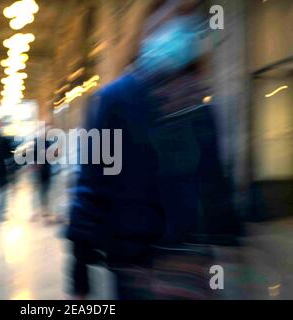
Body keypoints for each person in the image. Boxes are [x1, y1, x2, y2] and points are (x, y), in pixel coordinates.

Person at [66, 0, 243, 300]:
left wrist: (230, 238)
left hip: (192, 265)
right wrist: (79, 266)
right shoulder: (114, 101)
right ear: (144, 29)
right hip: (136, 267)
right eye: (170, 16)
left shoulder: (200, 106)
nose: (179, 28)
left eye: (187, 18)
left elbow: (214, 185)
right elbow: (93, 184)